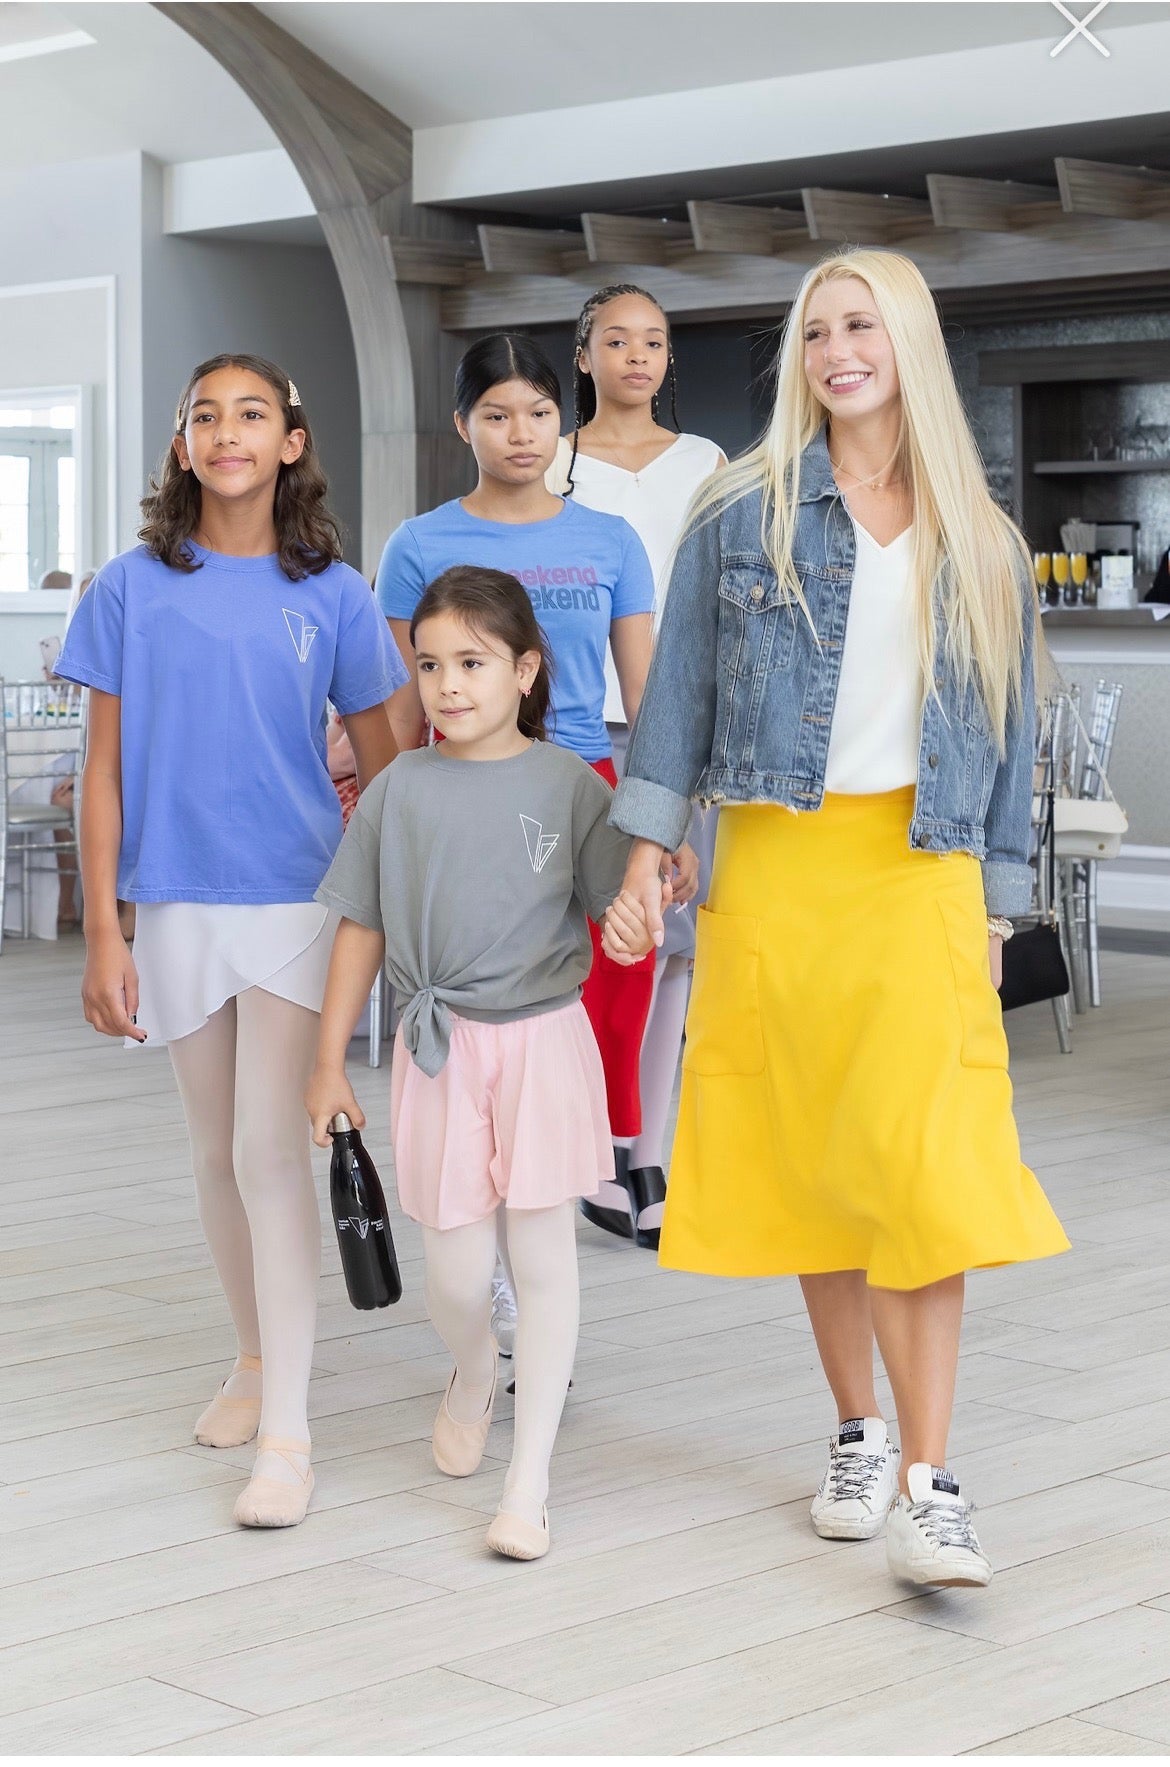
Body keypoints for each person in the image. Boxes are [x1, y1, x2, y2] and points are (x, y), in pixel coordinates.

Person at [605, 248, 1070, 1590]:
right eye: (816, 332)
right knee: (818, 1165)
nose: (836, 352)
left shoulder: (976, 534)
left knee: (924, 1169)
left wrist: (992, 902)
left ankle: (932, 1479)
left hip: (916, 874)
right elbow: (675, 705)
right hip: (776, 870)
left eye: (860, 326)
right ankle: (856, 1429)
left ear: (905, 342)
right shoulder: (736, 511)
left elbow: (1008, 733)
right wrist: (646, 858)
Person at [56, 353, 406, 1530]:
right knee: (214, 1153)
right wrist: (104, 928)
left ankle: (293, 1437)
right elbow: (99, 774)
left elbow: (389, 755)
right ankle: (256, 1360)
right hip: (175, 901)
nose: (226, 431)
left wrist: (390, 904)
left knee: (268, 1149)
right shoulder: (128, 587)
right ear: (181, 444)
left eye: (250, 413)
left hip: (299, 897)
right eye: (204, 415)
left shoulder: (339, 595)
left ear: (291, 441)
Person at [307, 565, 657, 1561]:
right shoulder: (400, 790)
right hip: (440, 1048)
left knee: (543, 1266)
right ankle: (472, 1374)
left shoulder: (569, 785)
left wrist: (636, 922)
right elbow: (360, 926)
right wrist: (328, 1062)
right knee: (457, 1280)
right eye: (429, 664)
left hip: (544, 1043)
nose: (448, 684)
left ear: (526, 670)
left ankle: (529, 1480)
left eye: (472, 662)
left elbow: (613, 921)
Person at [374, 332, 697, 1248]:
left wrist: (664, 819)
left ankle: (610, 1142)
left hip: (588, 780)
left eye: (541, 413)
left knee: (623, 960)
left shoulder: (609, 538)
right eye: (497, 414)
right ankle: (526, 1184)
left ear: (564, 422)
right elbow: (404, 708)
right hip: (463, 788)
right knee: (507, 992)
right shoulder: (418, 543)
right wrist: (394, 816)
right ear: (461, 425)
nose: (521, 433)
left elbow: (647, 695)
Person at [550, 282, 725, 1248]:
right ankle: (587, 1151)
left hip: (674, 722)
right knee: (586, 950)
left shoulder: (704, 463)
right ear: (584, 356)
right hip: (572, 730)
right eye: (616, 340)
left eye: (654, 341)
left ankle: (643, 1155)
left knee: (670, 947)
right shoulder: (553, 460)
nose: (636, 356)